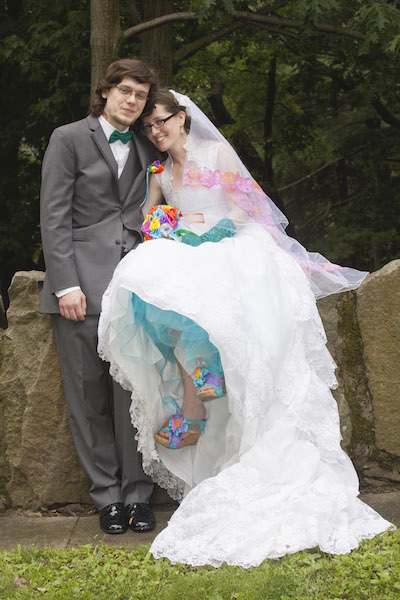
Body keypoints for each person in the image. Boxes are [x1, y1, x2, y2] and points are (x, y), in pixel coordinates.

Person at [97, 89, 392, 566]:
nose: (155, 131)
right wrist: (171, 225)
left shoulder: (217, 153)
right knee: (150, 277)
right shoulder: (158, 171)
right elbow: (150, 218)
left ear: (183, 118)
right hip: (187, 245)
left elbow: (245, 205)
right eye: (148, 127)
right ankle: (198, 380)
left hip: (231, 243)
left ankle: (197, 398)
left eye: (161, 121)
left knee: (216, 297)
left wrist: (213, 229)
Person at [39, 58, 159, 535]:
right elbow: (54, 215)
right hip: (81, 288)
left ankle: (139, 495)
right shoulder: (67, 138)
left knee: (136, 394)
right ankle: (107, 496)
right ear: (106, 92)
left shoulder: (151, 143)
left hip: (137, 285)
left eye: (142, 95)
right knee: (88, 398)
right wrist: (65, 283)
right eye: (126, 91)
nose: (133, 100)